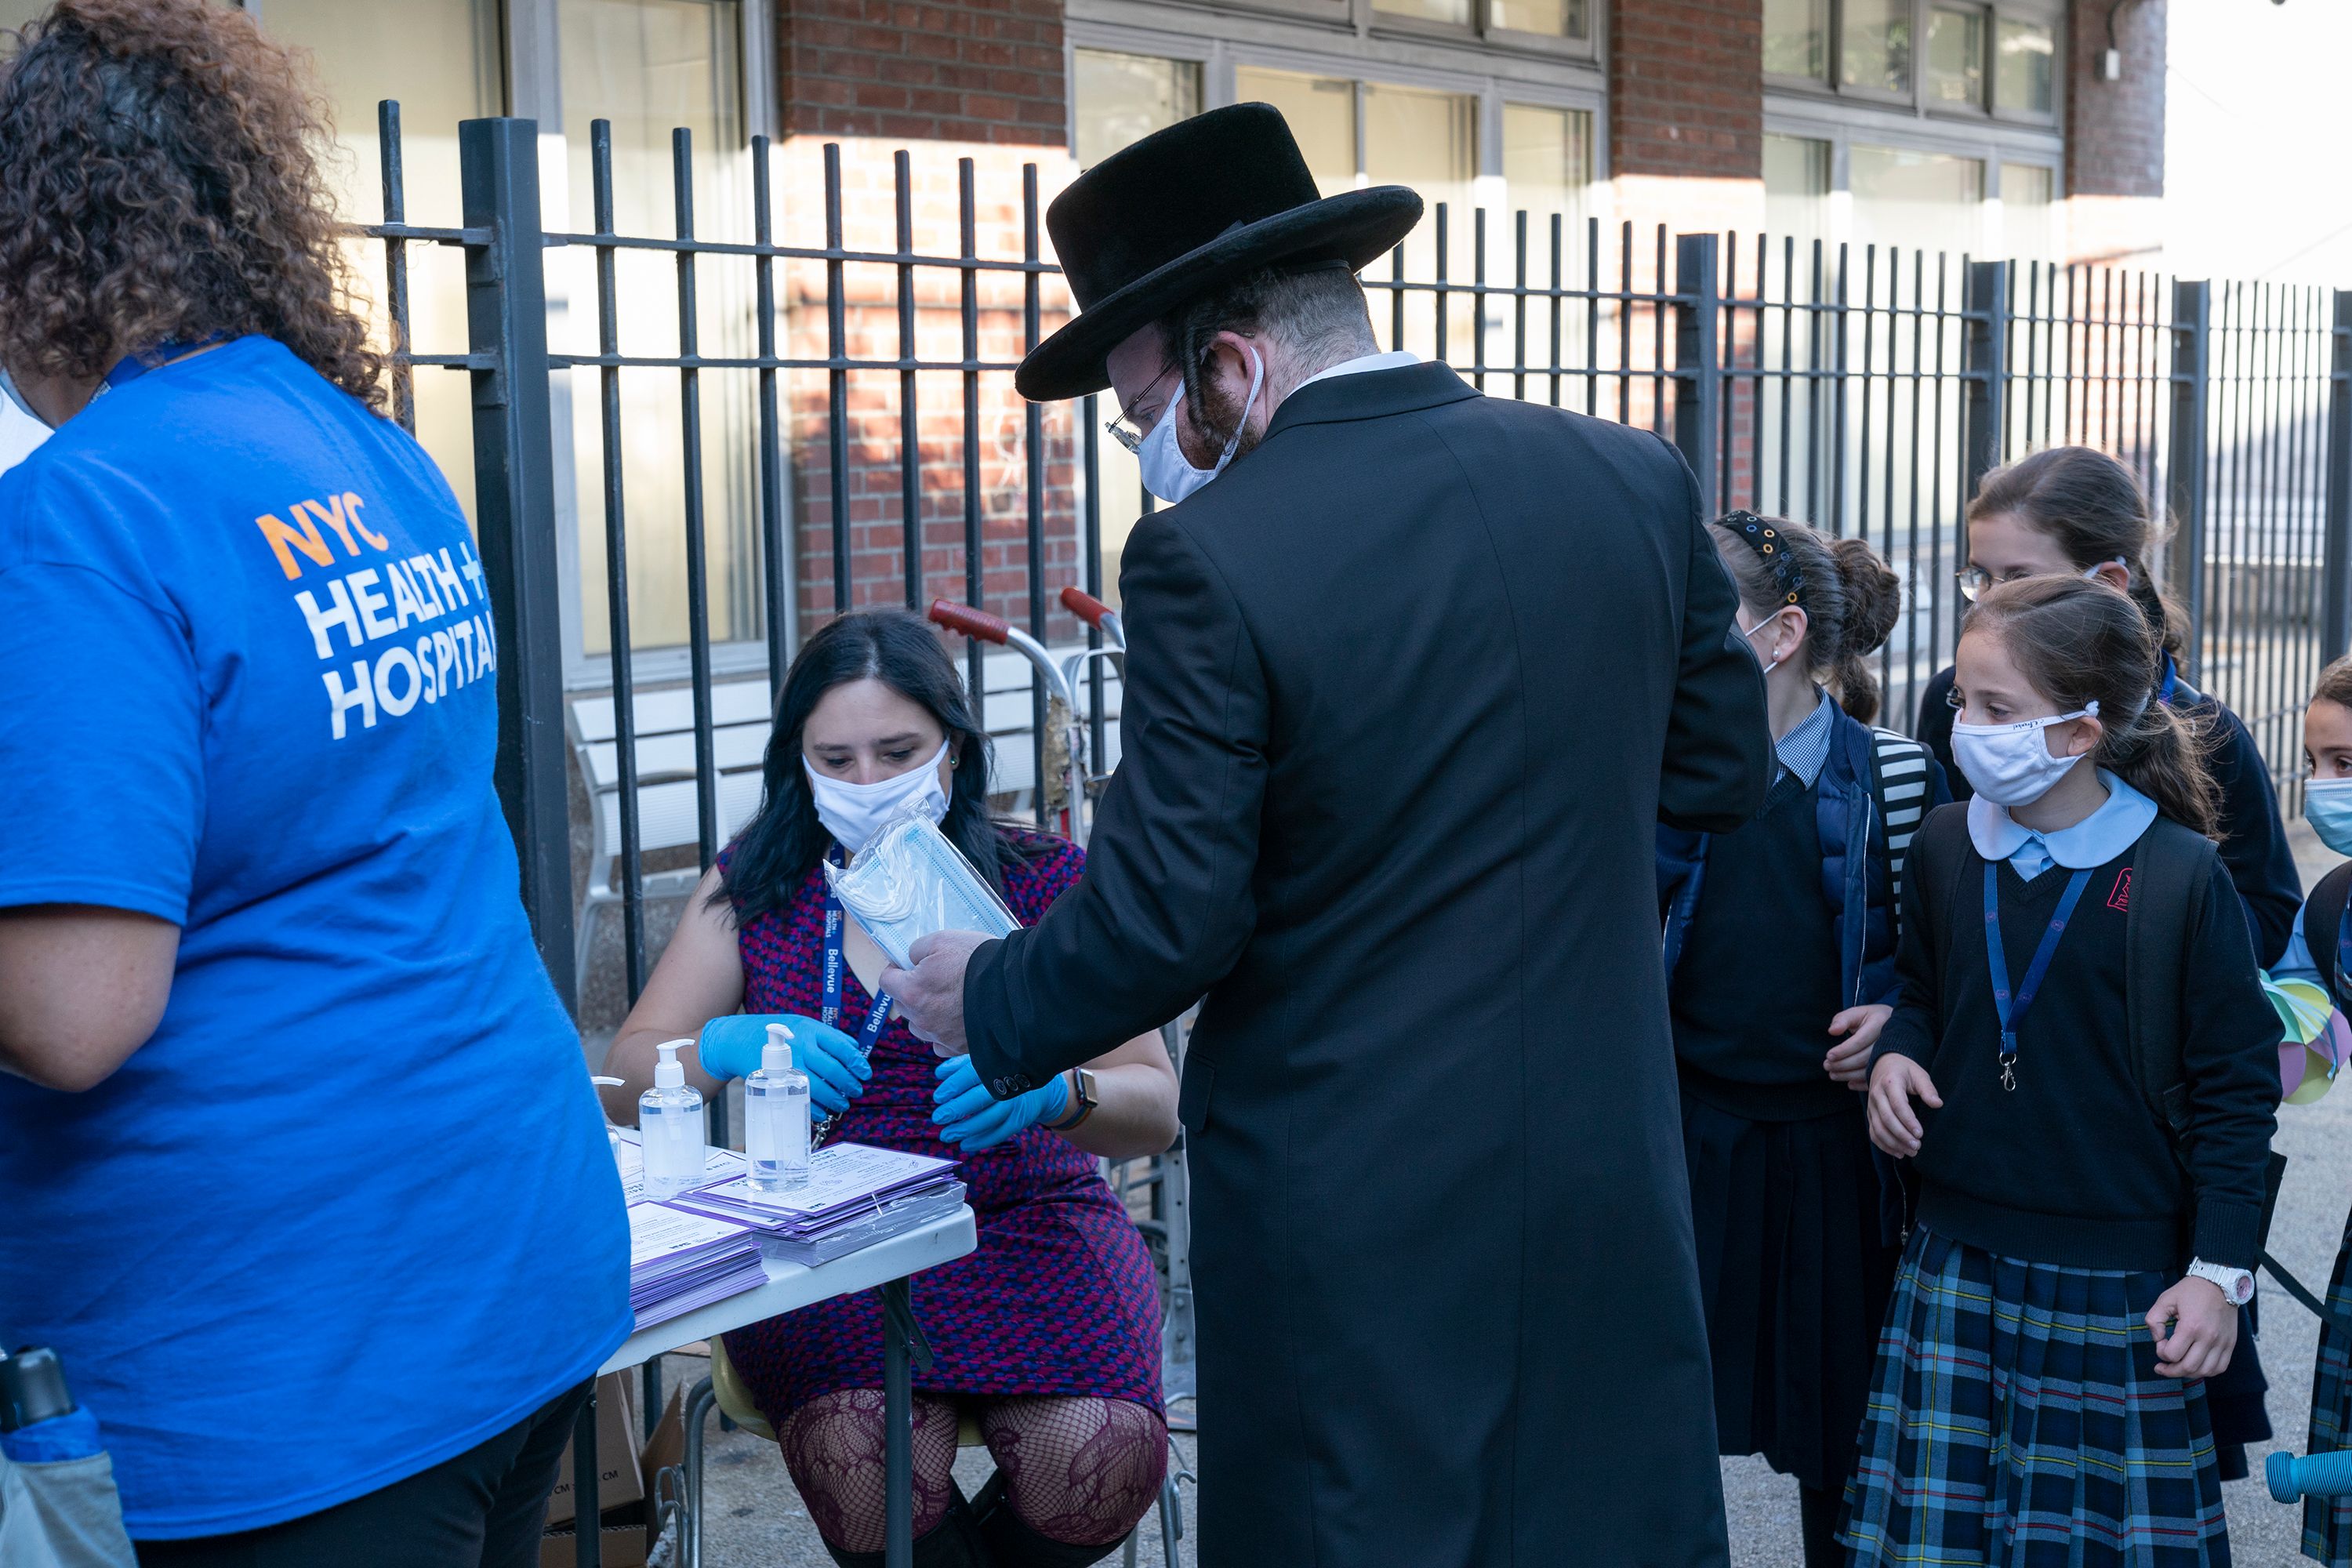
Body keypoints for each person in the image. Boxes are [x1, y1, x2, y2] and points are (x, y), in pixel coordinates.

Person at [882, 103, 1775, 1566]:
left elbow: (1171, 914)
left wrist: (983, 995)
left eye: (1138, 410)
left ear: (1231, 363)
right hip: (1603, 1157)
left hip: (1351, 1199)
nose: (1145, 453)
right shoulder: (1630, 474)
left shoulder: (1206, 557)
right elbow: (1722, 769)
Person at [0, 3, 629, 1564]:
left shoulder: (80, 513)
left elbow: (76, 1012)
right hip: (503, 1258)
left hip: (284, 1364)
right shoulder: (358, 449)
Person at [598, 608, 1178, 1568]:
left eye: (898, 749)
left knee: (1105, 1455)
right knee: (866, 1464)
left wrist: (1054, 1093)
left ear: (953, 746)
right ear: (799, 760)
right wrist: (727, 1044)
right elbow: (626, 1072)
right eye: (837, 757)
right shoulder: (759, 883)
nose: (868, 782)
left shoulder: (1043, 882)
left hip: (1029, 1219)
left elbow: (1154, 1104)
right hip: (832, 1242)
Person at [1850, 575, 2281, 1567]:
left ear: (2083, 731)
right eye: (1963, 699)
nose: (1966, 725)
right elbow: (1921, 989)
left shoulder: (2180, 877)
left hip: (2118, 1277)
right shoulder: (1951, 844)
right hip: (1955, 1258)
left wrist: (2219, 1274)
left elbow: (2233, 1091)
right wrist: (1898, 1053)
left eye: (1997, 708)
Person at [1659, 515, 1948, 1566]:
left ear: (1779, 636)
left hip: (1838, 1154)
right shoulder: (1655, 774)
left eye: (1694, 624)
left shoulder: (1901, 779)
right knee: (1662, 1420)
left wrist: (1901, 1018)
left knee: (1843, 1432)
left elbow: (1950, 958)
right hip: (1692, 1138)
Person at [1914, 446, 2300, 968]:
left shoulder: (2205, 730)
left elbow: (2269, 917)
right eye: (1979, 574)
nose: (1985, 600)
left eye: (2017, 576)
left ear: (2107, 583)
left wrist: (2137, 930)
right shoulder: (1953, 704)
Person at [2273, 656, 2352, 1567]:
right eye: (2317, 761)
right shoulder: (2333, 905)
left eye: (2345, 761)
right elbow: (2304, 1061)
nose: (2324, 788)